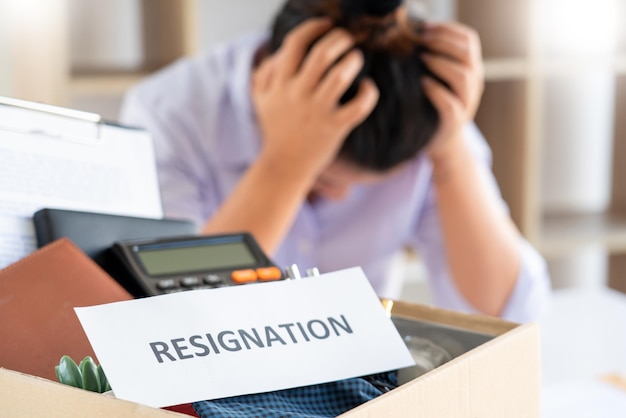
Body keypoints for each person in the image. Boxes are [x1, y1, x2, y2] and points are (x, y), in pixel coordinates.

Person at [120, 0, 551, 322]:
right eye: (323, 179)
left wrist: (450, 155)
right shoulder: (169, 115)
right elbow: (171, 321)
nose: (342, 196)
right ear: (263, 83)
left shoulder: (417, 114)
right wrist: (286, 165)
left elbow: (511, 315)